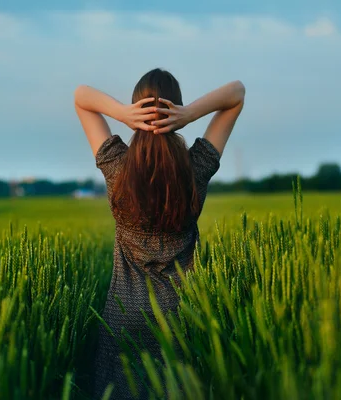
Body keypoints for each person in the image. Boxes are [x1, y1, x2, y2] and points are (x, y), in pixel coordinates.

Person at [74, 68, 245, 399]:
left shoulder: (116, 167)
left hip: (123, 316)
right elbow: (236, 93)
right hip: (180, 318)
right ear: (176, 109)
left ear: (135, 110)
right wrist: (189, 115)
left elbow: (81, 97)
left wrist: (122, 114)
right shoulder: (195, 169)